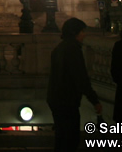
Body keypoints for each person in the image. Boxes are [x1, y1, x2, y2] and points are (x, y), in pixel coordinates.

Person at [47, 18, 101, 152]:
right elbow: (81, 78)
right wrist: (94, 100)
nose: (84, 34)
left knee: (61, 138)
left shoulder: (59, 48)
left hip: (56, 98)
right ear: (75, 32)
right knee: (71, 139)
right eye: (82, 31)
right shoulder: (73, 50)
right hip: (67, 100)